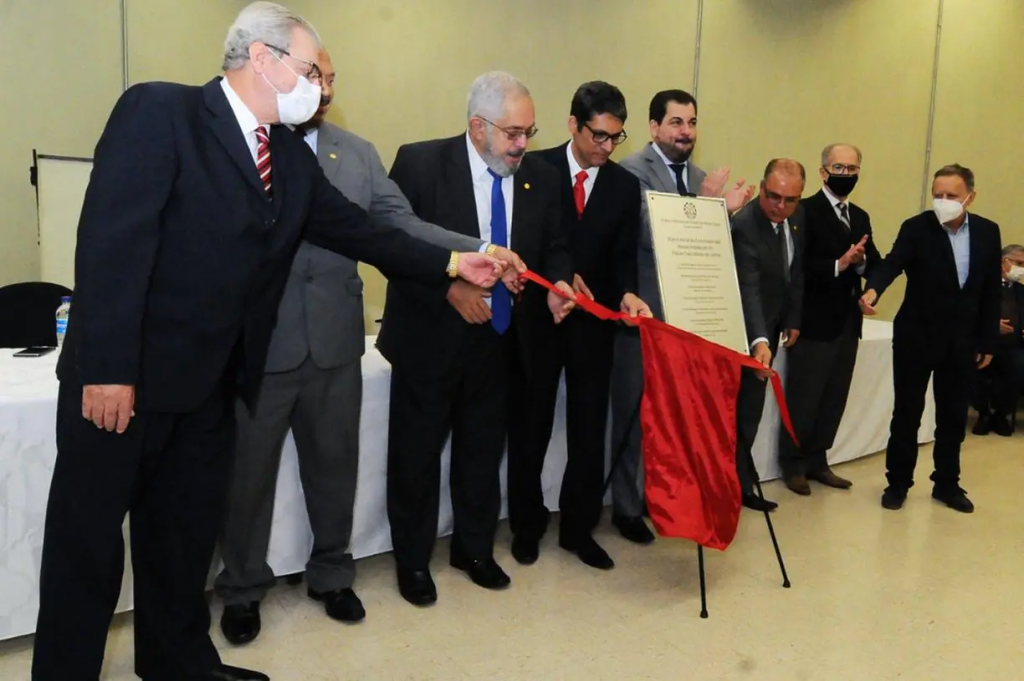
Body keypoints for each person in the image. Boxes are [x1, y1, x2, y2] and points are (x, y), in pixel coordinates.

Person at [31, 4, 503, 680]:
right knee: (88, 548)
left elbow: (362, 230)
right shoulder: (162, 112)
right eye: (311, 70)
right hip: (123, 381)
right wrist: (107, 367)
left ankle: (177, 663)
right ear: (262, 58)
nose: (321, 87)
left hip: (209, 387)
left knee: (183, 540)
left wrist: (456, 263)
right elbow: (111, 244)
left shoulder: (285, 156)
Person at [213, 48, 523, 645]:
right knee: (247, 477)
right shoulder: (247, 143)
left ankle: (332, 574)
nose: (325, 89)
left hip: (335, 340)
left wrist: (476, 249)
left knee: (335, 469)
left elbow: (399, 224)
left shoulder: (355, 154)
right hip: (261, 341)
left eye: (332, 79)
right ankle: (243, 587)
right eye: (315, 76)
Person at [378, 71, 575, 607]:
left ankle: (473, 549)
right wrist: (448, 288)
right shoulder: (421, 164)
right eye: (513, 133)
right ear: (477, 127)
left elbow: (556, 246)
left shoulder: (541, 178)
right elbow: (391, 244)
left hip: (502, 339)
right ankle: (412, 561)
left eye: (529, 132)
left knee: (482, 453)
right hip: (430, 338)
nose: (522, 144)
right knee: (416, 457)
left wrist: (557, 284)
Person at [507, 81, 650, 571]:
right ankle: (526, 526)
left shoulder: (624, 186)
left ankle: (578, 528)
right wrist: (559, 278)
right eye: (598, 135)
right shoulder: (534, 169)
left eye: (616, 137)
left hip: (594, 322)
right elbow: (522, 241)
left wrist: (627, 292)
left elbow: (624, 256)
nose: (607, 147)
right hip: (540, 317)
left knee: (589, 429)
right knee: (531, 425)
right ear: (573, 124)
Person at [609, 89, 754, 543]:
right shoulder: (630, 171)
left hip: (688, 322)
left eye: (691, 123)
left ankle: (664, 499)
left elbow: (709, 250)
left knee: (672, 418)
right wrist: (709, 205)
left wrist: (725, 215)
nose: (685, 132)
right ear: (654, 127)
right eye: (676, 123)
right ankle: (626, 507)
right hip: (643, 316)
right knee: (635, 414)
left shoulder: (700, 176)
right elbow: (649, 233)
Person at [861, 164, 1001, 513]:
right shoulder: (916, 228)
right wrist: (873, 289)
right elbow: (892, 263)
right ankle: (898, 483)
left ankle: (947, 484)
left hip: (962, 341)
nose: (943, 201)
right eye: (938, 195)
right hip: (916, 336)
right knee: (907, 413)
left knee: (953, 416)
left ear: (970, 197)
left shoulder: (987, 232)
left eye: (951, 195)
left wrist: (987, 341)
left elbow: (990, 291)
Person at [777, 143, 881, 495]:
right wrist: (840, 264)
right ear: (823, 172)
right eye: (839, 167)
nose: (845, 174)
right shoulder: (803, 211)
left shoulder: (860, 216)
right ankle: (793, 463)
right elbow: (796, 267)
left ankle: (818, 460)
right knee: (804, 398)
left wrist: (863, 270)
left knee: (833, 397)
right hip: (812, 322)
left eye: (852, 169)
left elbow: (873, 260)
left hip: (847, 323)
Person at [732, 159, 807, 512]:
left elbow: (794, 272)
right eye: (774, 196)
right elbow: (748, 288)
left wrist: (792, 318)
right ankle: (730, 487)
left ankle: (741, 485)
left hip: (772, 325)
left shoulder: (797, 217)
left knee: (751, 411)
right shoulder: (746, 225)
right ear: (761, 188)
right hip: (743, 332)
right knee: (737, 413)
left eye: (790, 200)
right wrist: (759, 340)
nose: (780, 206)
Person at [971, 244, 1024, 437]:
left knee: (1019, 367)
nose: (1022, 269)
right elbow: (967, 313)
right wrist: (991, 324)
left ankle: (1001, 413)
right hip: (983, 341)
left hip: (1013, 344)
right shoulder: (982, 286)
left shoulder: (1021, 291)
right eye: (1019, 263)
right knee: (973, 364)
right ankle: (983, 413)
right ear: (1004, 262)